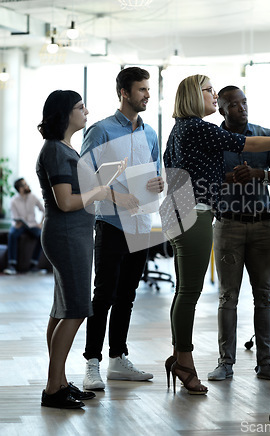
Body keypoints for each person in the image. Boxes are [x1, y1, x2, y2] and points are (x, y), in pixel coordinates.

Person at [161, 74, 270, 395]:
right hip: (197, 213)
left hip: (185, 211)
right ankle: (185, 363)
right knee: (191, 293)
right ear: (197, 97)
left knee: (186, 291)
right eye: (210, 91)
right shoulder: (197, 127)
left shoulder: (180, 130)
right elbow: (248, 144)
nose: (213, 94)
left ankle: (183, 359)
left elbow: (172, 171)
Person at [81, 67, 164, 391]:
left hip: (141, 222)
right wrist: (116, 195)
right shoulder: (101, 130)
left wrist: (158, 184)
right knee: (103, 295)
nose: (146, 94)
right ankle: (92, 362)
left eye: (148, 89)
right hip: (110, 222)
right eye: (141, 89)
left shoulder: (151, 133)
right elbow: (85, 177)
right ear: (124, 93)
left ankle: (118, 359)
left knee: (127, 296)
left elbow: (154, 175)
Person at [207, 86, 270, 383]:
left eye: (244, 102)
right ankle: (225, 364)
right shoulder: (213, 140)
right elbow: (201, 182)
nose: (242, 108)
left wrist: (259, 174)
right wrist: (231, 178)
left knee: (264, 296)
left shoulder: (264, 135)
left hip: (262, 226)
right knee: (228, 297)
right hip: (227, 225)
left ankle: (266, 364)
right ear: (222, 109)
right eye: (234, 104)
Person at [36, 90, 111, 409]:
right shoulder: (55, 150)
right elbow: (66, 202)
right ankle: (54, 389)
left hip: (73, 235)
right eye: (81, 107)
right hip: (66, 235)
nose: (86, 111)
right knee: (77, 308)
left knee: (62, 309)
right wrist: (98, 190)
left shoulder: (65, 148)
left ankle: (60, 382)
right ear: (65, 113)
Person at [3, 178, 44, 275]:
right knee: (12, 234)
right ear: (20, 189)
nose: (27, 186)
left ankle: (33, 265)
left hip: (32, 225)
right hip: (20, 226)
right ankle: (12, 265)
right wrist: (17, 224)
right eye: (25, 185)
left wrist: (40, 224)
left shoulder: (33, 197)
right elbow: (15, 218)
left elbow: (44, 210)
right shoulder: (13, 201)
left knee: (42, 236)